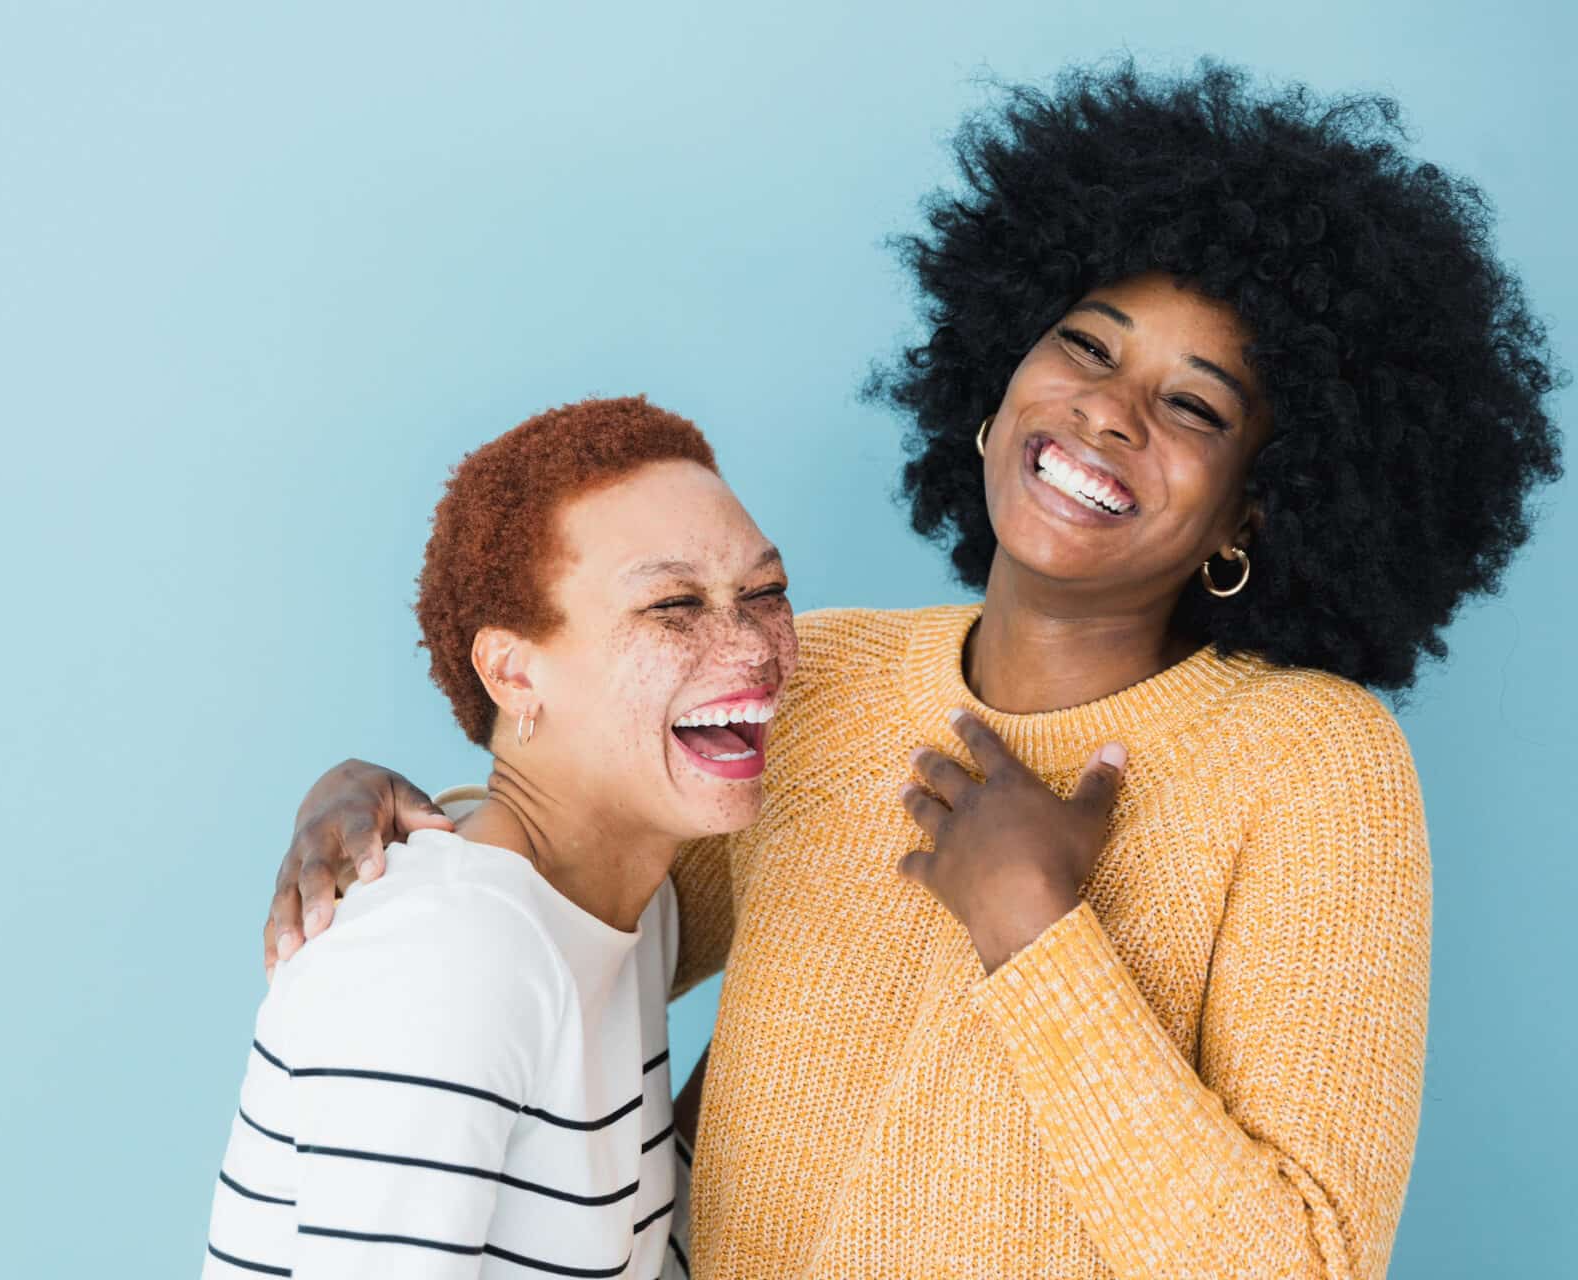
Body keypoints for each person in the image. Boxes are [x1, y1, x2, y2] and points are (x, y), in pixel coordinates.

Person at [260, 62, 1563, 1279]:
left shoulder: (1311, 768)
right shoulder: (813, 675)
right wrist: (412, 823)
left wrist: (1035, 930)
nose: (1112, 409)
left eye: (1197, 408)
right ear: (994, 390)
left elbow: (1306, 1260)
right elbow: (586, 922)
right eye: (1087, 348)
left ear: (1250, 516)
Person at [203, 396, 799, 1278]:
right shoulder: (449, 957)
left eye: (766, 592)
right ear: (513, 672)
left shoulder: (626, 908)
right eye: (673, 604)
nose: (750, 645)